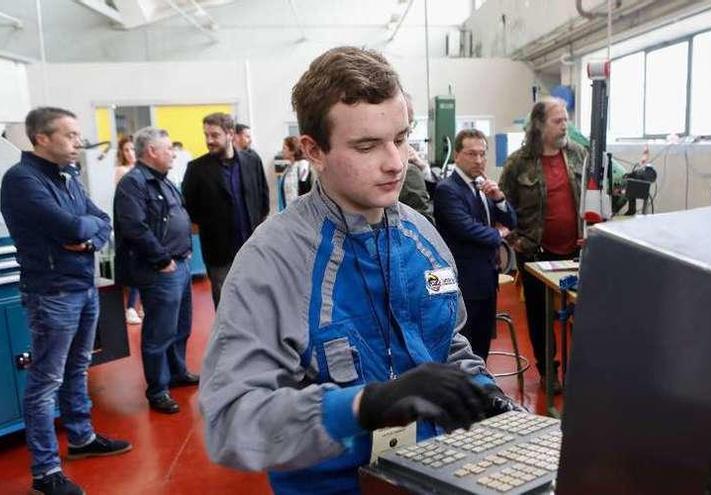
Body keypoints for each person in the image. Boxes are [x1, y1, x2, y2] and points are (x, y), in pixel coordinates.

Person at [198, 46, 518, 495]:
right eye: (367, 146)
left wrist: (489, 398)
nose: (395, 162)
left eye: (401, 138)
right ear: (314, 150)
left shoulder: (423, 238)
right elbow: (230, 421)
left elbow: (449, 345)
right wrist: (363, 406)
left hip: (441, 478)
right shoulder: (272, 262)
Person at [0, 107, 132, 495]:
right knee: (45, 382)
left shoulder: (67, 175)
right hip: (52, 293)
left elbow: (98, 221)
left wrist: (86, 239)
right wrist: (83, 232)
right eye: (70, 135)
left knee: (78, 369)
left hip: (81, 285)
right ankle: (45, 472)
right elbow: (70, 225)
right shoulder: (22, 181)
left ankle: (81, 437)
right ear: (42, 138)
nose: (79, 142)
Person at [498, 98, 588, 394]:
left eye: (566, 120)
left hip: (575, 251)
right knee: (539, 316)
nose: (565, 126)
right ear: (539, 125)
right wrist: (515, 241)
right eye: (558, 121)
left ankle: (580, 373)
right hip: (536, 253)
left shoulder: (578, 155)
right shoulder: (518, 162)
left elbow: (591, 196)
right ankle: (549, 372)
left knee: (581, 315)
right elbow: (501, 209)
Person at [114, 127, 198, 415]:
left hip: (180, 264)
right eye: (166, 149)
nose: (172, 153)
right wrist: (162, 260)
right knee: (159, 332)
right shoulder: (134, 183)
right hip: (161, 269)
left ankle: (177, 373)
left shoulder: (163, 181)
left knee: (181, 326)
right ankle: (158, 389)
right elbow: (134, 227)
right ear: (151, 151)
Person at [433, 129, 516, 360]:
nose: (478, 160)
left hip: (487, 280)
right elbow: (466, 228)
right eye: (471, 154)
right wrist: (499, 235)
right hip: (463, 282)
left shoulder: (484, 187)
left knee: (481, 346)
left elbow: (512, 221)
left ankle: (481, 391)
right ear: (457, 155)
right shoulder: (447, 189)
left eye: (482, 154)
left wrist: (499, 197)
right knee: (464, 348)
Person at [181, 112, 269, 308]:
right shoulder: (196, 169)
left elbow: (263, 199)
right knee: (227, 310)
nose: (209, 140)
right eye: (206, 135)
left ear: (230, 134)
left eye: (214, 135)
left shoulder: (252, 161)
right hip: (220, 257)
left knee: (259, 306)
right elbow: (189, 211)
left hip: (253, 250)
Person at [113, 135, 143, 325]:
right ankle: (131, 307)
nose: (130, 153)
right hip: (130, 225)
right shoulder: (122, 171)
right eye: (127, 150)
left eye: (133, 149)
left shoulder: (141, 170)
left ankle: (140, 306)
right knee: (134, 269)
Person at [398, 93, 434, 223]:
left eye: (412, 123)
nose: (410, 130)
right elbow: (426, 224)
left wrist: (424, 168)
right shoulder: (408, 171)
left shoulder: (413, 166)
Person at [279, 135, 312, 209]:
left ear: (292, 150)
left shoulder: (303, 165)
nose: (282, 151)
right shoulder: (289, 167)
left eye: (284, 148)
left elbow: (305, 189)